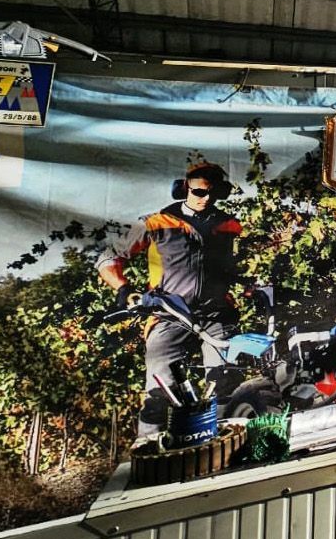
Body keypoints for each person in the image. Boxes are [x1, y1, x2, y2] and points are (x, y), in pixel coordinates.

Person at [98, 162, 243, 437]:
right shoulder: (155, 223)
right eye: (200, 192)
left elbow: (232, 267)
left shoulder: (228, 225)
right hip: (168, 313)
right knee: (159, 391)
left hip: (215, 315)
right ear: (185, 187)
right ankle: (148, 452)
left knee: (225, 384)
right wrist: (123, 289)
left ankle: (227, 446)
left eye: (213, 193)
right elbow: (108, 258)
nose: (206, 199)